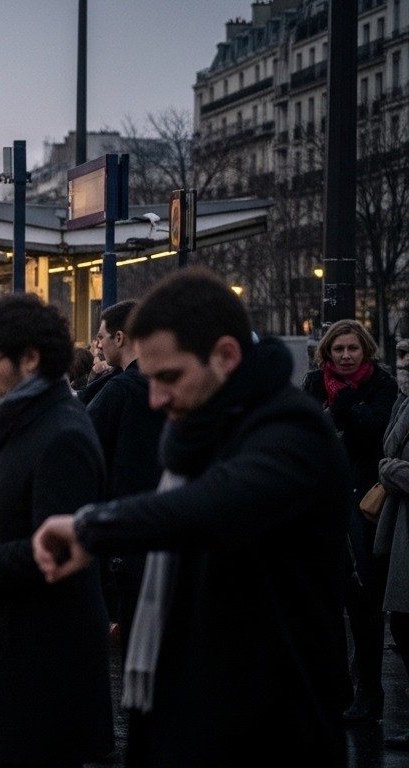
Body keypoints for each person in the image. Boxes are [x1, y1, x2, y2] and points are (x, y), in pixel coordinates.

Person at [32, 268, 349, 767]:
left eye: (170, 377)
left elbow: (219, 504)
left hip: (270, 728)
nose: (155, 397)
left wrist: (92, 528)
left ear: (225, 356)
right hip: (191, 711)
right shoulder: (202, 430)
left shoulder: (292, 431)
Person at [0, 293, 113, 767]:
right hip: (24, 649)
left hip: (42, 657)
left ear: (29, 359)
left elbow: (53, 553)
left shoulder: (60, 432)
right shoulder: (34, 420)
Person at [301, 318, 395, 722]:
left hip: (363, 509)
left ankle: (370, 692)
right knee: (323, 604)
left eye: (351, 349)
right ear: (327, 351)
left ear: (365, 350)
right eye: (337, 349)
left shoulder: (382, 386)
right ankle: (336, 689)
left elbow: (372, 431)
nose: (344, 356)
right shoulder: (312, 385)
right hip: (321, 508)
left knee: (364, 605)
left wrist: (342, 405)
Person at [85, 299, 166, 654]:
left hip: (125, 525)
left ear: (120, 337)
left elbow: (85, 444)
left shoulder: (118, 392)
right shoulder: (168, 383)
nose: (98, 344)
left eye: (101, 336)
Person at [376, 326, 409, 750]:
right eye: (402, 353)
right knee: (401, 621)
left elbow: (389, 459)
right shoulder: (403, 400)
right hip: (400, 522)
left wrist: (390, 471)